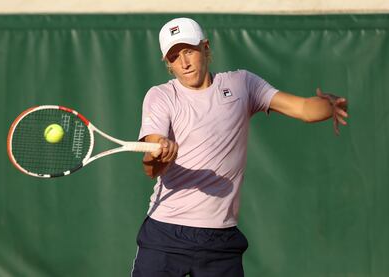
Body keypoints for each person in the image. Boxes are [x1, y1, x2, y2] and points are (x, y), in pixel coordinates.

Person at [131, 17, 348, 277]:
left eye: (189, 51)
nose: (184, 63)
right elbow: (150, 167)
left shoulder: (241, 84)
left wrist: (328, 106)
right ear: (168, 62)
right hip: (166, 234)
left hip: (220, 239)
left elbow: (302, 108)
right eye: (174, 57)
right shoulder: (161, 96)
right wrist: (159, 154)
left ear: (205, 47)